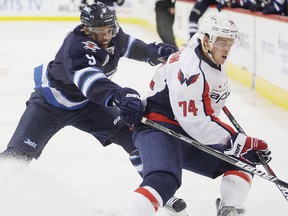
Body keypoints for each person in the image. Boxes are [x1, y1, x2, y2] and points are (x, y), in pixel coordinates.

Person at [0, 2, 188, 215]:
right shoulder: (77, 47)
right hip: (50, 105)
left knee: (134, 137)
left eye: (109, 29)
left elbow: (130, 45)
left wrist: (154, 52)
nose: (106, 35)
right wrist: (119, 95)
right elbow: (91, 82)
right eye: (100, 31)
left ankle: (158, 191)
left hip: (87, 106)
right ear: (87, 29)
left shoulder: (112, 34)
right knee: (16, 157)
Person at [121, 12, 272, 216]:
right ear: (208, 40)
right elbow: (196, 123)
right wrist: (239, 142)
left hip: (185, 128)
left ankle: (229, 209)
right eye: (222, 43)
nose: (227, 49)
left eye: (230, 43)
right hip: (158, 128)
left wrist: (238, 147)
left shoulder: (203, 46)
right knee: (163, 181)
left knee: (242, 163)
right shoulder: (191, 72)